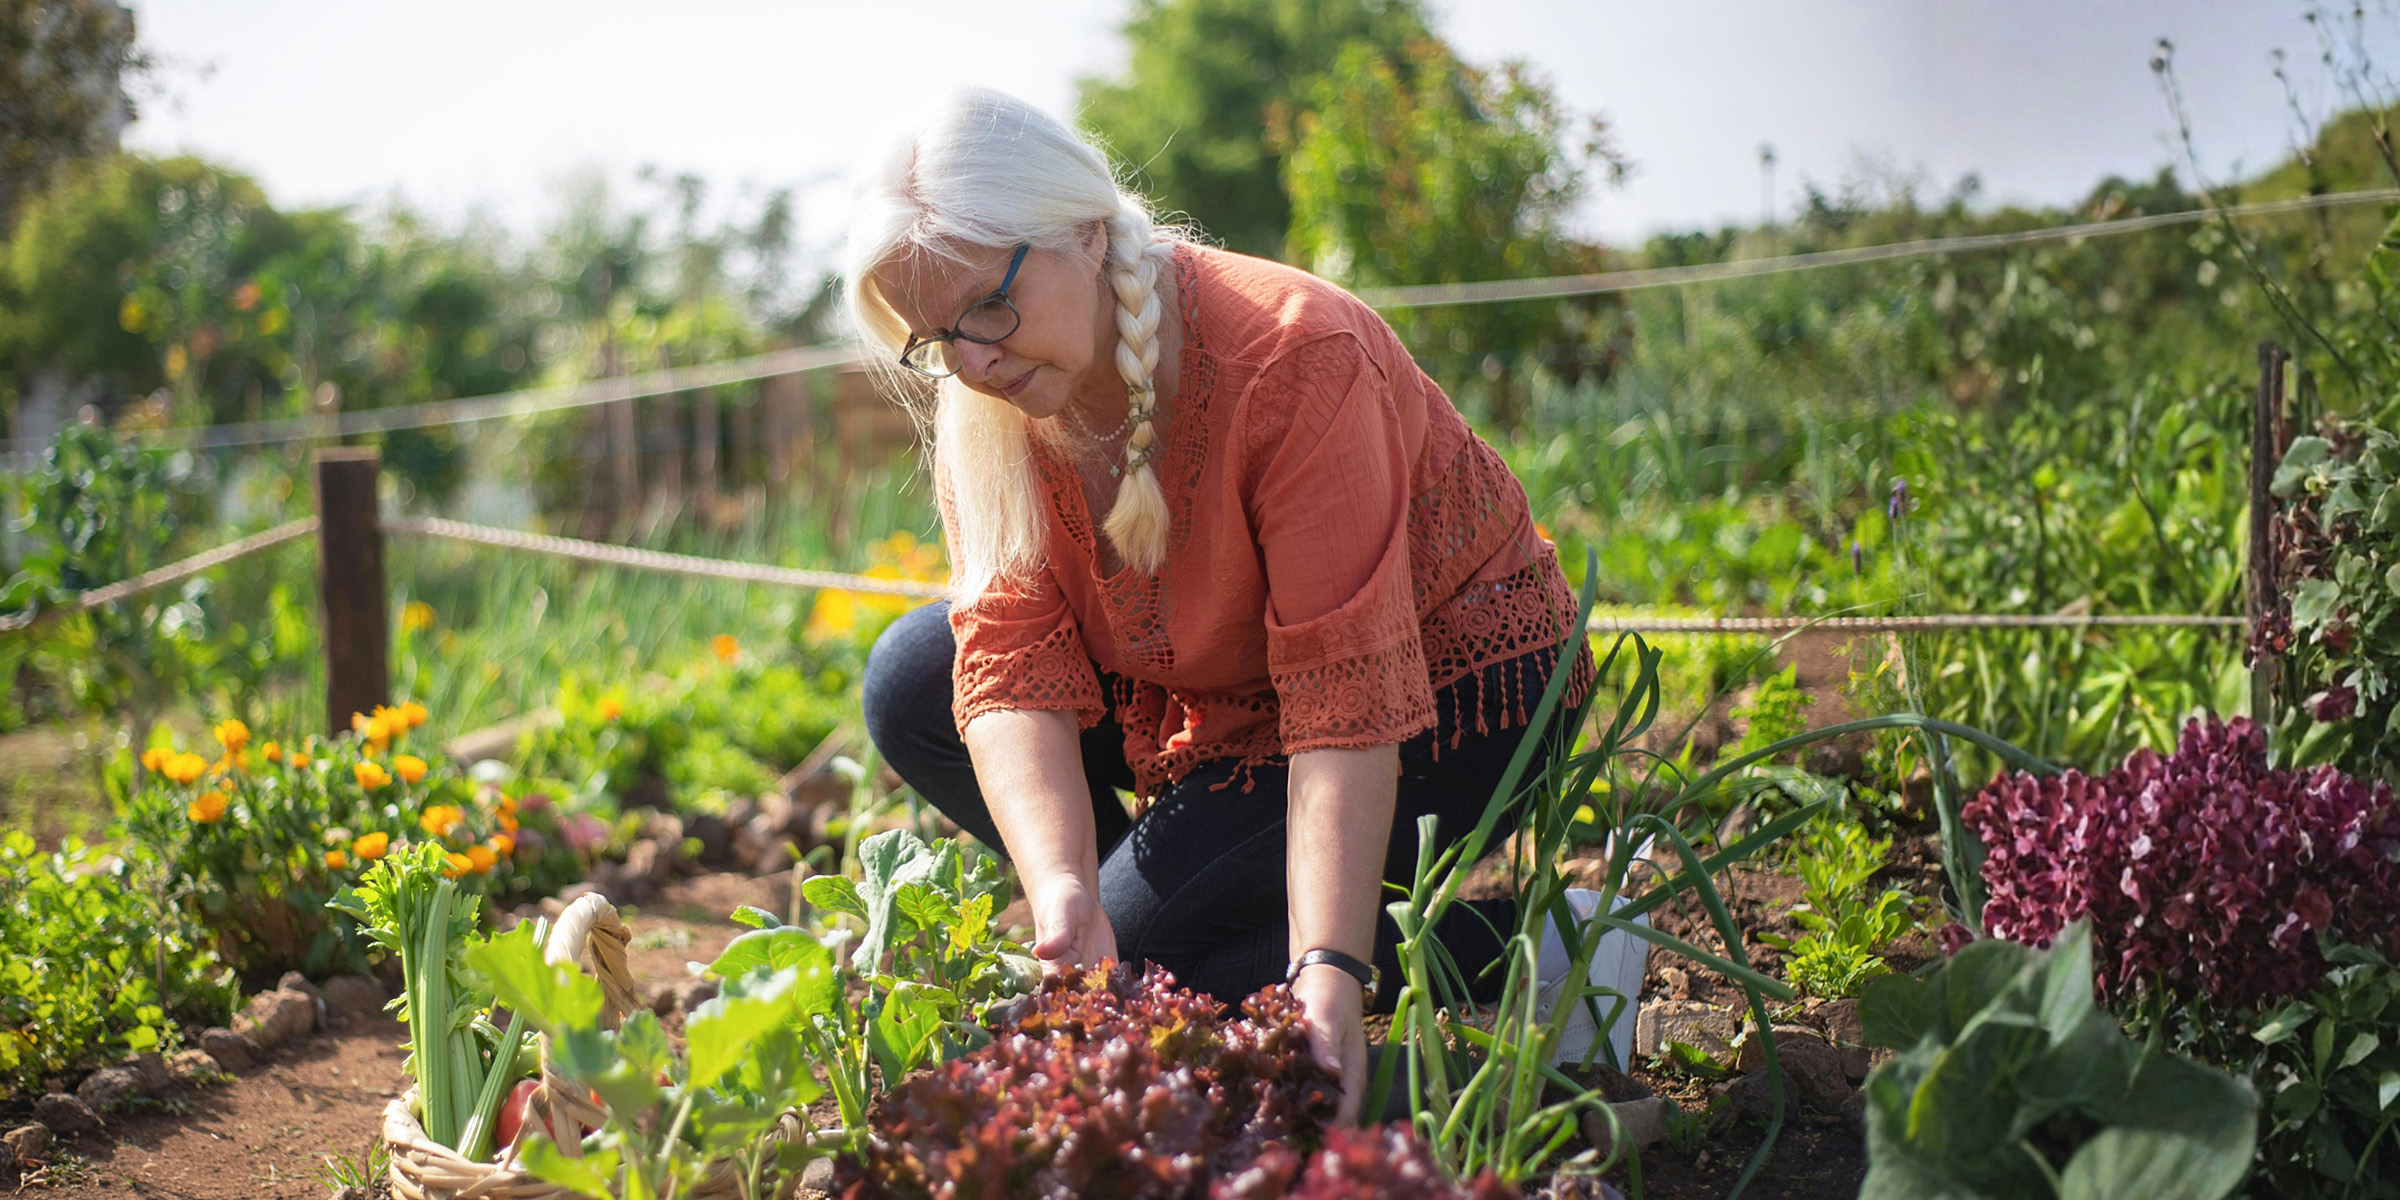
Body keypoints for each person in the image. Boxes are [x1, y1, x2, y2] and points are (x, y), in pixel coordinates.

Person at [848, 88, 1642, 1121]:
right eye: (936, 339)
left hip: (1450, 693)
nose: (973, 363)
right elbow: (1009, 655)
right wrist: (1064, 892)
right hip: (1227, 698)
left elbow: (1343, 708)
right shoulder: (987, 400)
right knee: (915, 678)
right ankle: (1166, 918)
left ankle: (1549, 945)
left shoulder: (1294, 356)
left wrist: (1327, 973)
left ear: (1086, 233)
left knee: (1153, 966)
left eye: (988, 311)